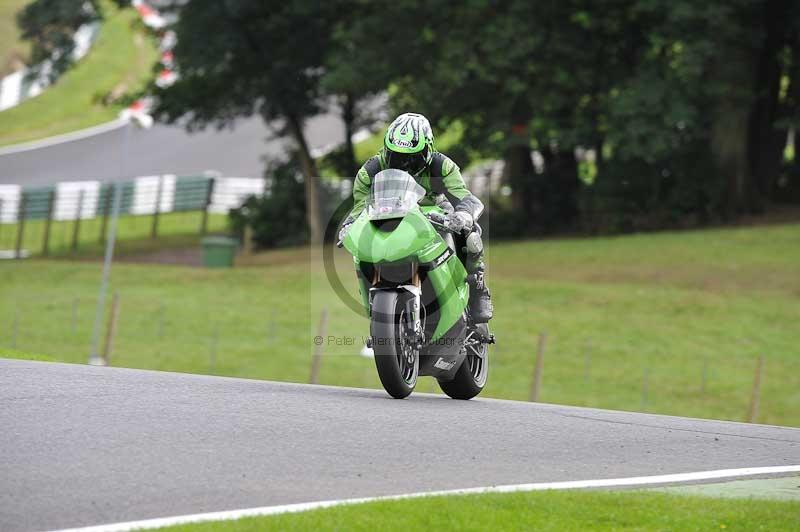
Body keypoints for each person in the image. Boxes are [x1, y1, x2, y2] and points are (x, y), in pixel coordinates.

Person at [339, 112, 493, 322]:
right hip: (390, 216)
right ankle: (375, 296)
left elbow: (463, 196)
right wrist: (349, 225)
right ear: (386, 149)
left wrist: (463, 215)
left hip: (434, 211)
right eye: (396, 156)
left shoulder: (441, 166)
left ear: (428, 150)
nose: (403, 164)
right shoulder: (370, 171)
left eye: (412, 157)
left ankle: (478, 288)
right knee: (362, 249)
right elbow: (359, 208)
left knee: (470, 233)